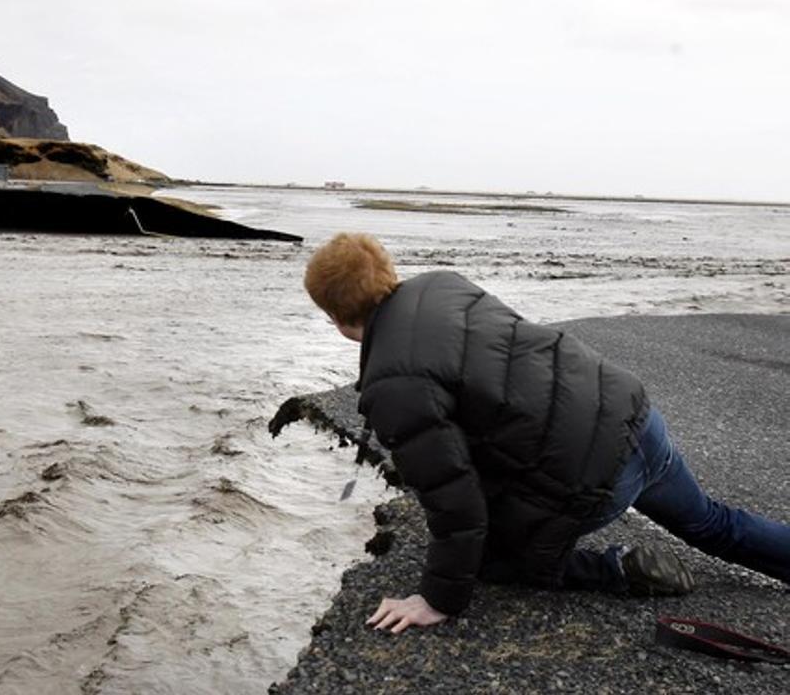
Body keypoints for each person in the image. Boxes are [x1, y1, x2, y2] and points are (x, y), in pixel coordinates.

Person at [302, 232, 790, 634]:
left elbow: (456, 502)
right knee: (713, 524)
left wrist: (436, 599)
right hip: (633, 415)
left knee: (490, 560)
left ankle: (617, 568)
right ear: (387, 271)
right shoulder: (444, 284)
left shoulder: (392, 383)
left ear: (336, 319)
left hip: (595, 474)